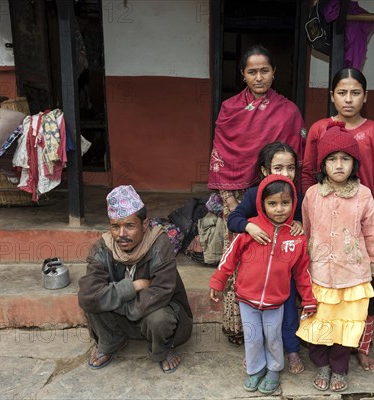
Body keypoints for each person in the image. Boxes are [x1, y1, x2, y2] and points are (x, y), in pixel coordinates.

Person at [207, 44, 306, 346]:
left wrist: (291, 208)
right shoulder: (230, 109)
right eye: (252, 71)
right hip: (236, 196)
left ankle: (273, 330)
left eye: (265, 70)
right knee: (239, 260)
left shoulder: (288, 111)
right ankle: (239, 329)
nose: (259, 77)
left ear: (274, 73)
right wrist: (230, 201)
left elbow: (295, 160)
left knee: (274, 262)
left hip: (277, 197)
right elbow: (221, 154)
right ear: (243, 75)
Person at [301, 67, 374, 371]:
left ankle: (359, 347)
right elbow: (307, 170)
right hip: (325, 226)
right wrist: (311, 209)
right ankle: (326, 349)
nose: (348, 99)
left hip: (360, 222)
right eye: (342, 92)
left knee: (365, 292)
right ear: (331, 96)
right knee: (325, 299)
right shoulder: (319, 129)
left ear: (365, 97)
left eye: (355, 93)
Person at [209, 174, 317, 395]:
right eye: (272, 203)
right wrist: (218, 281)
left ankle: (274, 369)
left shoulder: (296, 237)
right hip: (247, 298)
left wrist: (308, 299)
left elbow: (302, 273)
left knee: (273, 337)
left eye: (285, 203)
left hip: (276, 301)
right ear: (262, 203)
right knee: (253, 337)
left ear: (293, 203)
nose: (279, 209)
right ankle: (256, 368)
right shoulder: (251, 230)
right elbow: (230, 257)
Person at [296, 126, 374, 392]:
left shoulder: (364, 195)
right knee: (320, 322)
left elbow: (370, 233)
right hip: (320, 273)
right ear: (322, 164)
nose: (339, 165)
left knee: (346, 326)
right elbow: (307, 232)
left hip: (352, 275)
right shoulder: (312, 195)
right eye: (332, 159)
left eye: (345, 159)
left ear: (355, 163)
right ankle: (321, 364)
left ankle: (340, 367)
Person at [78, 185, 193, 374]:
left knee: (159, 318)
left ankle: (161, 349)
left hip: (152, 312)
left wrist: (114, 301)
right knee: (91, 301)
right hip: (133, 310)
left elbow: (160, 293)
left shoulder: (160, 244)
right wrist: (132, 287)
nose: (121, 234)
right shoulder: (102, 247)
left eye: (129, 226)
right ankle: (110, 342)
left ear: (145, 225)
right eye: (115, 226)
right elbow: (88, 294)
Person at [227, 141, 306, 374]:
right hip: (257, 270)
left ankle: (291, 350)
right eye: (278, 168)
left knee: (289, 309)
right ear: (264, 170)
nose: (286, 174)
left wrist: (300, 223)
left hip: (284, 269)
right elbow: (234, 219)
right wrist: (249, 227)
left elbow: (302, 223)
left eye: (291, 168)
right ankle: (256, 354)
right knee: (255, 318)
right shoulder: (255, 194)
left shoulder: (296, 196)